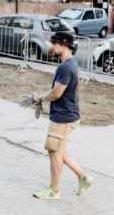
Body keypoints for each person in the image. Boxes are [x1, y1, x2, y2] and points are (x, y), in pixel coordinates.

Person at [32, 32, 93, 200]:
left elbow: (57, 93)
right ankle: (83, 178)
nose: (52, 46)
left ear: (64, 45)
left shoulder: (65, 67)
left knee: (54, 152)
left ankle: (54, 191)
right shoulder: (70, 64)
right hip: (68, 115)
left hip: (63, 117)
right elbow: (58, 90)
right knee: (58, 150)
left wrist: (41, 99)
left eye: (54, 43)